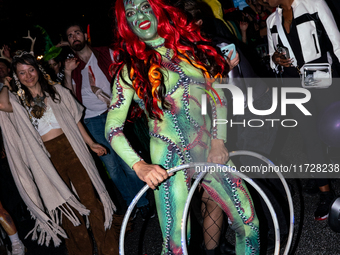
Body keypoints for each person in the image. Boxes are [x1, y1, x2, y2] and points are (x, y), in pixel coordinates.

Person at [105, 0, 260, 254]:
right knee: (177, 245)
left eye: (145, 7)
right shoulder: (130, 70)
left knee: (249, 224)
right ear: (127, 24)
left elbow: (217, 95)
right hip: (168, 160)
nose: (139, 16)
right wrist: (140, 166)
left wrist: (219, 141)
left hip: (210, 149)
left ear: (157, 10)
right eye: (131, 13)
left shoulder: (191, 50)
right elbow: (112, 128)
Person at [0, 52, 118, 255]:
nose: (28, 76)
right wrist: (5, 84)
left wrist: (91, 143)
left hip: (73, 150)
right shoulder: (17, 103)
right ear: (16, 77)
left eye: (31, 70)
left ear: (38, 70)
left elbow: (75, 121)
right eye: (22, 73)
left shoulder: (57, 91)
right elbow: (1, 104)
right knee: (69, 213)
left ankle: (110, 250)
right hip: (47, 160)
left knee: (92, 205)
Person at [63, 22, 153, 219]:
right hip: (92, 121)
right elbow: (68, 98)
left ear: (85, 36)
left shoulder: (106, 53)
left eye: (77, 33)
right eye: (70, 35)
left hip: (116, 115)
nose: (74, 37)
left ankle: (144, 201)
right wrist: (67, 72)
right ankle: (132, 204)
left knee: (128, 163)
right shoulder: (73, 67)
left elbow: (128, 72)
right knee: (112, 170)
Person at [266, 0, 340, 220]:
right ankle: (325, 194)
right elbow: (273, 59)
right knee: (309, 138)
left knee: (335, 130)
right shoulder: (272, 20)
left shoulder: (314, 4)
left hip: (320, 76)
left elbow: (337, 42)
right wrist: (275, 59)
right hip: (294, 84)